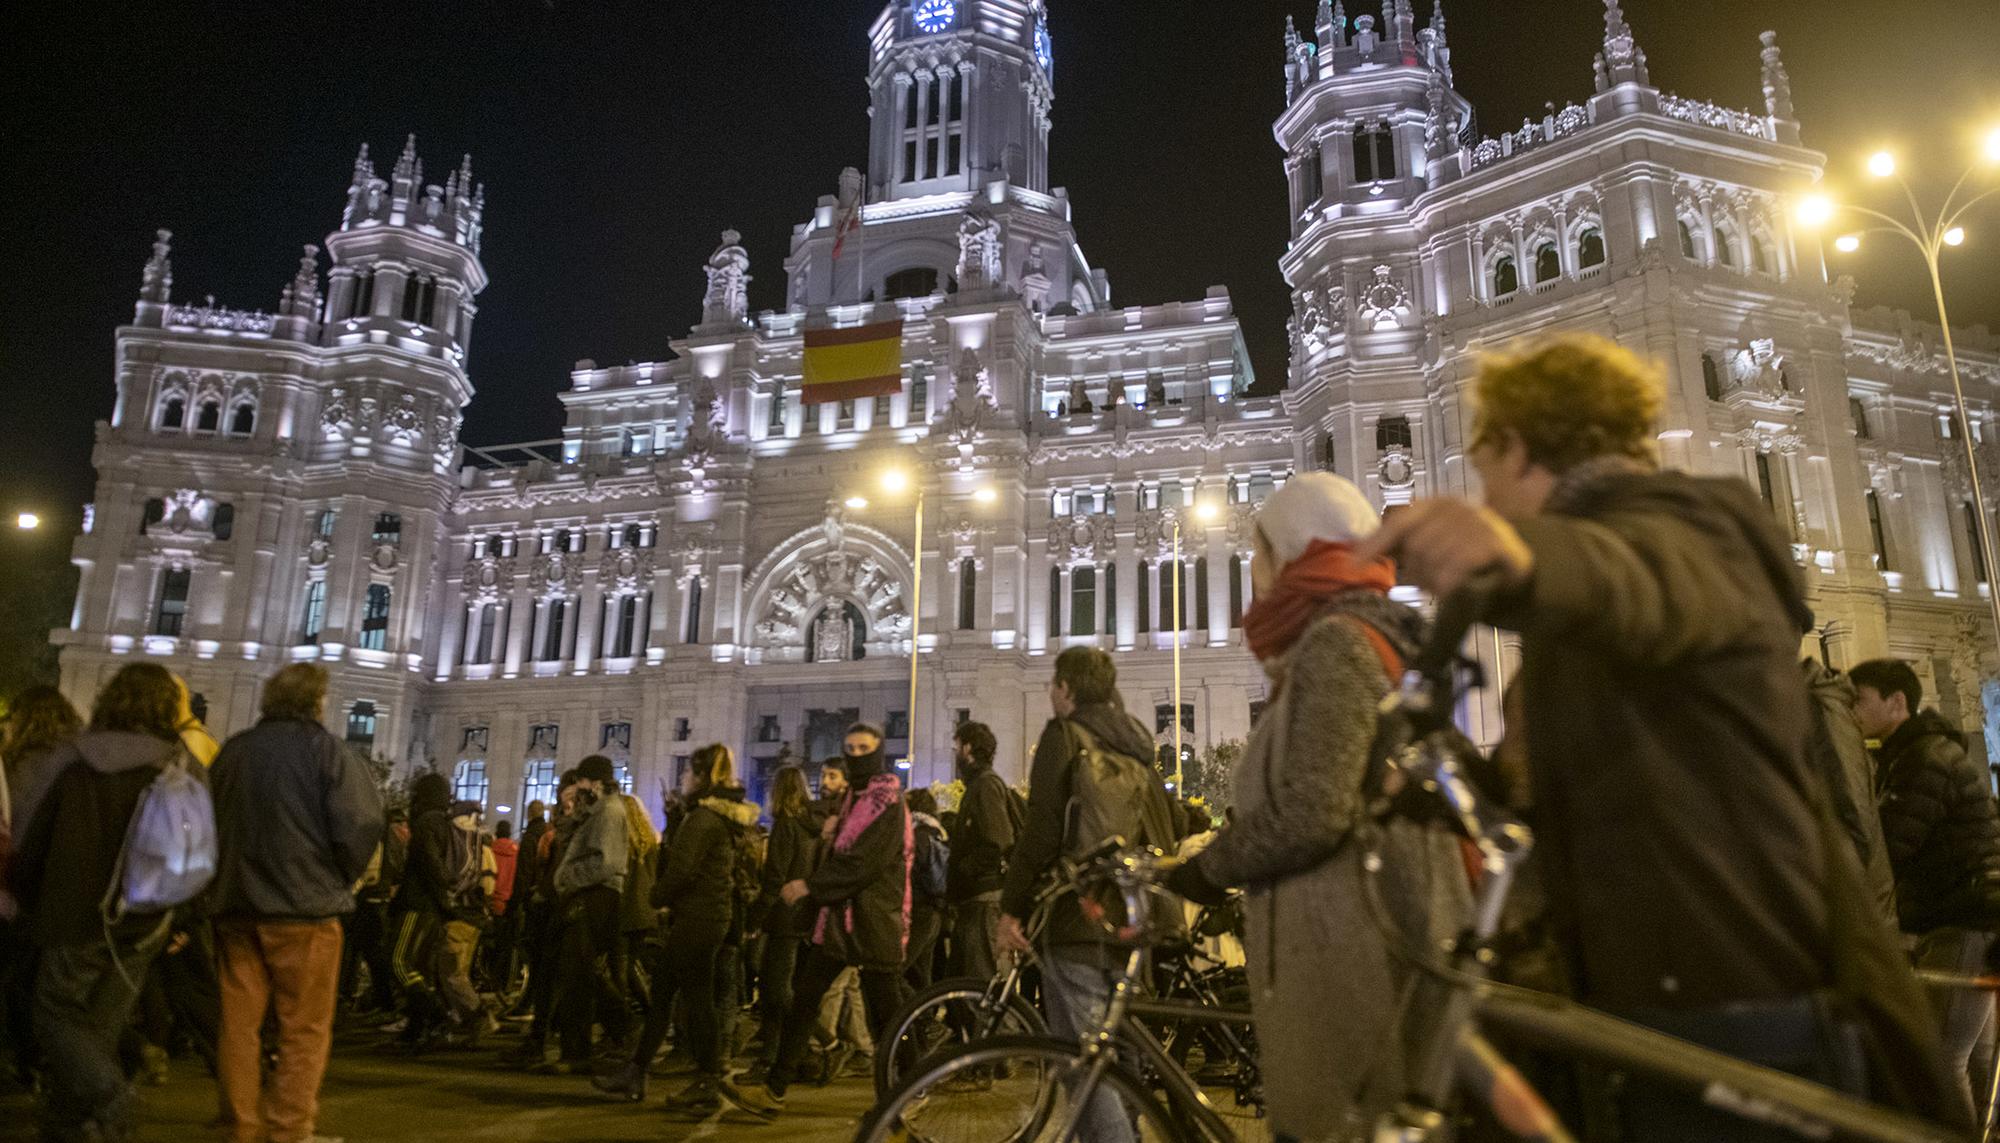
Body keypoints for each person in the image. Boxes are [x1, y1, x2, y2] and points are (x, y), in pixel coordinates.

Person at [1354, 335, 1960, 1133]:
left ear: (1519, 445)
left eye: (1487, 467)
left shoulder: (1702, 529)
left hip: (1740, 1001)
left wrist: (1519, 553)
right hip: (1651, 988)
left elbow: (1648, 577)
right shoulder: (1580, 601)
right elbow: (1626, 773)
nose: (1488, 495)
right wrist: (1465, 783)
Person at [1161, 472, 1471, 1139]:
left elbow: (1314, 809)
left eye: (1262, 551)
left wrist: (1205, 869)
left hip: (1353, 958)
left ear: (1295, 551)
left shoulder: (1337, 643)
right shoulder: (1366, 633)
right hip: (1368, 938)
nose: (1255, 569)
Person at [8, 664, 198, 1141]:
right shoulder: (181, 765)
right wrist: (183, 918)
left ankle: (108, 1097)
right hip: (144, 922)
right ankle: (71, 1124)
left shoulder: (75, 760)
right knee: (97, 1028)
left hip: (71, 913)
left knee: (54, 1013)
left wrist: (29, 896)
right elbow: (199, 851)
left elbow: (32, 835)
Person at [998, 647, 1177, 1143]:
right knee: (1120, 1057)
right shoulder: (1136, 743)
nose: (1051, 694)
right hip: (1133, 918)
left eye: (1054, 685)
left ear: (1067, 689)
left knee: (1084, 1066)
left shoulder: (1065, 735)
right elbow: (1170, 822)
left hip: (1077, 916)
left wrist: (1011, 907)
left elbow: (1040, 832)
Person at [208, 662, 384, 1143]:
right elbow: (362, 823)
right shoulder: (327, 752)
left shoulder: (235, 751)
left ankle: (239, 1127)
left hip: (237, 906)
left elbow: (207, 820)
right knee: (303, 1029)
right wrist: (338, 877)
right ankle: (290, 1129)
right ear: (317, 702)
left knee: (238, 1027)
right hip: (305, 911)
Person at [726, 724, 912, 1119]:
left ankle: (915, 1085)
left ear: (878, 753)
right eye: (850, 748)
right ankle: (775, 1089)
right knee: (806, 997)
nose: (856, 754)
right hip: (841, 919)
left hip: (873, 916)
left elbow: (866, 862)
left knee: (889, 1011)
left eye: (864, 748)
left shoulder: (886, 800)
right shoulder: (851, 801)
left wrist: (811, 886)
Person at [1850, 657, 2000, 1109]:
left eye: (1859, 700)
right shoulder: (1919, 752)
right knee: (1974, 1055)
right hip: (1974, 913)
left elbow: (1892, 843)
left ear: (1897, 702)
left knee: (1942, 1055)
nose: (1853, 712)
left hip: (1962, 915)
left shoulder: (1923, 759)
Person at [595, 744, 759, 1116]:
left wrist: (657, 896)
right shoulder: (712, 818)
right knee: (665, 995)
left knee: (698, 1000)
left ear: (701, 778)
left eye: (688, 772)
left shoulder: (703, 820)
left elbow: (681, 870)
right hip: (706, 917)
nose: (683, 778)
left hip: (699, 919)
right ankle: (637, 1071)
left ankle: (708, 1079)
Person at [0, 687, 83, 1085]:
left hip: (18, 885)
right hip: (66, 888)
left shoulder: (19, 766)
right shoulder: (79, 763)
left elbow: (11, 828)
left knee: (17, 979)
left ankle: (26, 1059)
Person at [543, 754, 628, 1074]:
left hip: (594, 897)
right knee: (580, 972)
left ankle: (580, 1050)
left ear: (594, 782)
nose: (576, 787)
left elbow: (605, 862)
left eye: (581, 781)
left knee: (578, 973)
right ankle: (591, 1041)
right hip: (591, 896)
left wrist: (567, 879)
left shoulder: (608, 811)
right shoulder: (597, 809)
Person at [745, 765, 815, 1084]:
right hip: (805, 915)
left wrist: (755, 918)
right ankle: (787, 1053)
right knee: (784, 986)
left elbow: (775, 878)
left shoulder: (786, 827)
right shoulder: (810, 827)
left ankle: (791, 1051)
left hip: (785, 917)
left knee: (775, 988)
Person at [386, 772, 456, 1051]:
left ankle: (438, 1015)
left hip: (417, 903)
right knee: (420, 968)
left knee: (399, 962)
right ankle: (417, 1029)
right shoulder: (444, 823)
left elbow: (430, 865)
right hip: (432, 906)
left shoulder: (426, 823)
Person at [946, 720, 1015, 983]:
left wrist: (965, 870)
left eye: (958, 746)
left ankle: (1001, 1026)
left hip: (982, 898)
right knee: (957, 984)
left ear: (968, 748)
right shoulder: (980, 785)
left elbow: (997, 840)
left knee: (981, 981)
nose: (956, 753)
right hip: (974, 899)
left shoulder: (985, 786)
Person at [904, 787, 948, 991]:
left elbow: (912, 871)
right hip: (935, 909)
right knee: (922, 971)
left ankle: (915, 1018)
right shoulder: (937, 832)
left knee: (899, 969)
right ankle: (924, 1018)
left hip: (920, 909)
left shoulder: (917, 834)